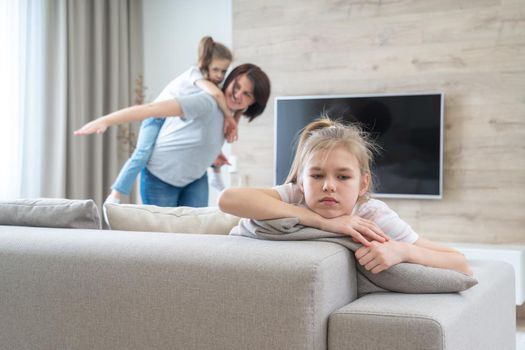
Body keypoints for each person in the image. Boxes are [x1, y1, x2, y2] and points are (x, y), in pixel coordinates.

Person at [218, 117, 472, 275]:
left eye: (342, 177)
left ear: (363, 184)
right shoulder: (297, 195)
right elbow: (228, 199)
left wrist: (403, 251)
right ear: (302, 182)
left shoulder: (370, 214)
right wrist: (321, 221)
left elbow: (460, 263)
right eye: (317, 176)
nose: (328, 186)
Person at [75, 63, 271, 208]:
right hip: (160, 178)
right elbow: (151, 109)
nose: (238, 95)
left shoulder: (231, 118)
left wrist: (212, 156)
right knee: (165, 246)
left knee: (194, 242)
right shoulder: (206, 102)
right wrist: (106, 120)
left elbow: (203, 136)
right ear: (230, 79)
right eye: (236, 86)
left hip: (195, 180)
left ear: (254, 103)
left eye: (247, 94)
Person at [104, 36, 238, 204]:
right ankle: (116, 194)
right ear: (205, 63)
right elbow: (217, 94)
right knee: (142, 153)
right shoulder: (194, 75)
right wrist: (229, 116)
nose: (219, 75)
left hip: (170, 120)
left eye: (224, 71)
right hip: (155, 117)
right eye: (216, 69)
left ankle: (214, 173)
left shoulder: (209, 82)